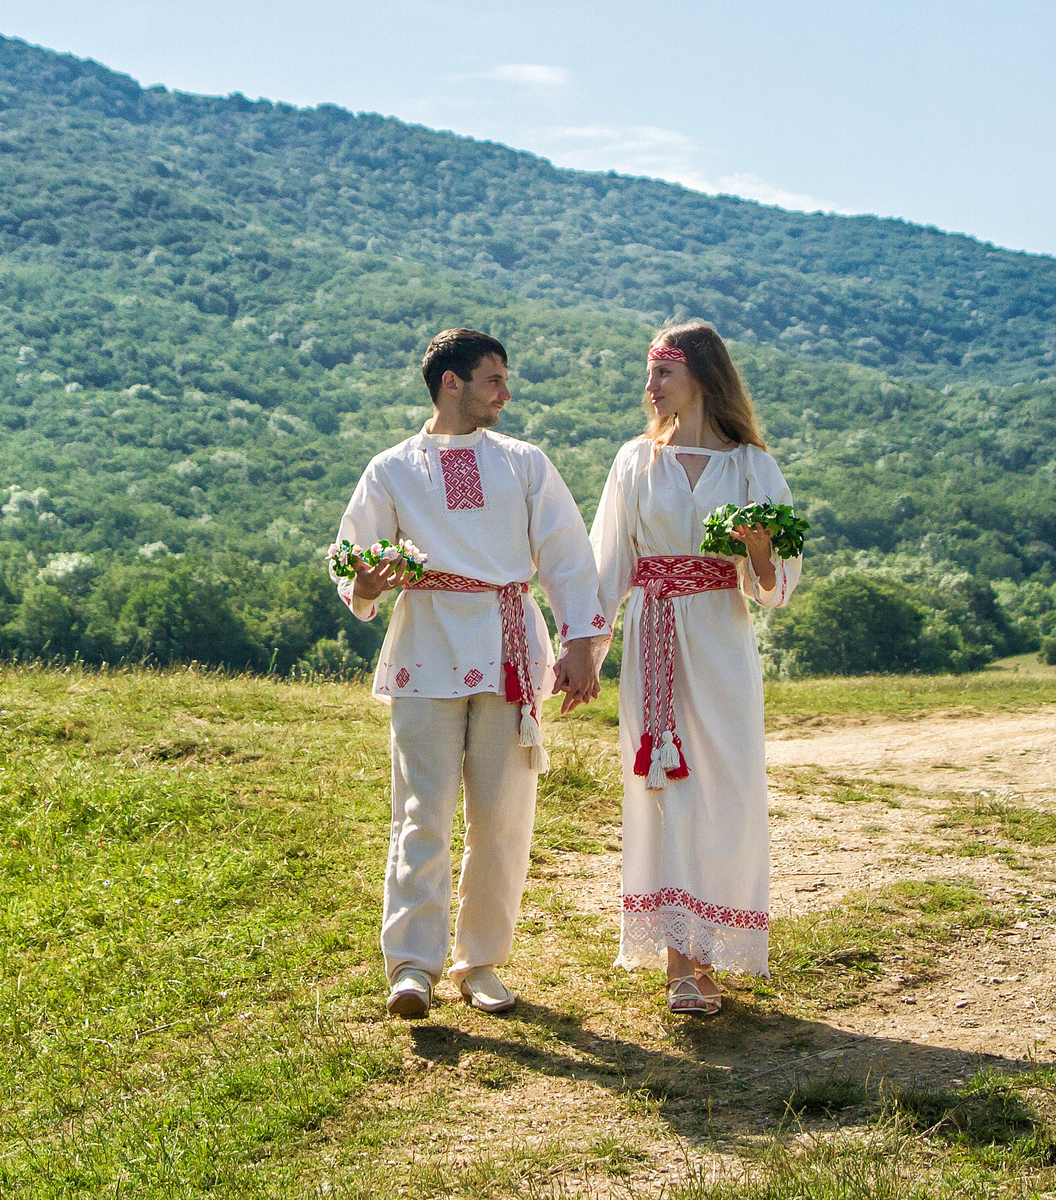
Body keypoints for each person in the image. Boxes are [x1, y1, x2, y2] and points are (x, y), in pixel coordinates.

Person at [336, 327, 611, 1019]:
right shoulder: (392, 468)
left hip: (509, 643)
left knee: (501, 816)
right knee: (419, 810)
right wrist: (367, 581)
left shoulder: (524, 463)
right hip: (426, 643)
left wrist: (581, 641)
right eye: (494, 379)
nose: (506, 392)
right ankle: (411, 965)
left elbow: (567, 555)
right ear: (450, 382)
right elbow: (351, 558)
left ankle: (480, 959)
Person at [589, 321, 799, 1014]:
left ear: (702, 377)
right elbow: (606, 570)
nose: (649, 389)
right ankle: (684, 964)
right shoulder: (634, 463)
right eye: (650, 375)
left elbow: (772, 586)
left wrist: (762, 554)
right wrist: (581, 652)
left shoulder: (752, 468)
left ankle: (708, 948)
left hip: (719, 640)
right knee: (665, 787)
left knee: (726, 791)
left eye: (662, 375)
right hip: (654, 638)